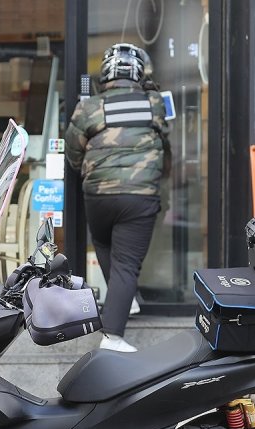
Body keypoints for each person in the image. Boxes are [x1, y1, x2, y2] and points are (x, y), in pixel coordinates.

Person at [65, 43, 171, 353]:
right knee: (126, 264)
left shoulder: (89, 107)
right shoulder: (154, 103)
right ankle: (112, 336)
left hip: (97, 196)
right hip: (139, 196)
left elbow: (73, 152)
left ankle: (126, 302)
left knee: (104, 245)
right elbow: (164, 140)